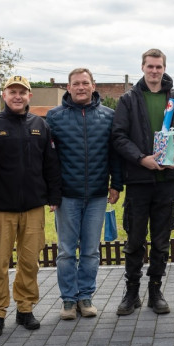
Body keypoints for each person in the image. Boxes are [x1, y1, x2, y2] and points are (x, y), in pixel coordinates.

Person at [111, 48, 174, 316]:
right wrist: (140, 159)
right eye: (150, 66)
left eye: (159, 67)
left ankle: (156, 291)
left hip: (166, 181)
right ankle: (132, 292)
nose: (155, 71)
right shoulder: (129, 100)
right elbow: (119, 136)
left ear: (164, 68)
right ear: (143, 67)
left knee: (161, 241)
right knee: (135, 240)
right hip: (139, 180)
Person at [0, 74, 62, 337]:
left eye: (22, 92)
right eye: (12, 92)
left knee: (29, 262)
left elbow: (51, 163)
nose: (17, 96)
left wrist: (54, 197)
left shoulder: (40, 125)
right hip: (0, 208)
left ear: (29, 96)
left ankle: (25, 308)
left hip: (34, 206)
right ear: (4, 95)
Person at [46, 68, 123, 321]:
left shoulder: (108, 116)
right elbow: (49, 159)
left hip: (98, 195)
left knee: (90, 250)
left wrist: (116, 184)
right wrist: (52, 194)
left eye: (85, 83)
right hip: (67, 196)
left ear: (93, 85)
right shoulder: (54, 117)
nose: (81, 87)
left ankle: (85, 296)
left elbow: (115, 154)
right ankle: (68, 300)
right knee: (67, 251)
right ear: (68, 87)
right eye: (76, 83)